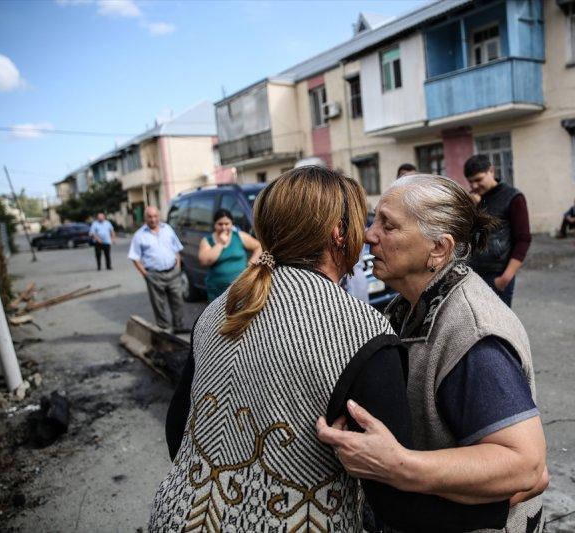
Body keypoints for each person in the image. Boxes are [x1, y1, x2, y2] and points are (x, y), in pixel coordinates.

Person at [150, 167, 507, 533]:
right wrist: (501, 511)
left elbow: (178, 430)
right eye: (363, 223)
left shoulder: (224, 306)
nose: (368, 235)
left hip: (177, 515)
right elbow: (395, 503)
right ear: (339, 233)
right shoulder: (362, 332)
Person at [317, 174, 548, 533]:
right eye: (374, 219)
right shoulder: (407, 305)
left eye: (388, 226)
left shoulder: (472, 332)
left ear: (438, 249)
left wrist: (400, 465)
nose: (368, 236)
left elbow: (525, 465)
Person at [464, 154, 531, 308]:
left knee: (499, 329)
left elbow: (523, 239)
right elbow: (467, 233)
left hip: (497, 275)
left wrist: (505, 278)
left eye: (478, 179)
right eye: (470, 181)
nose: (474, 186)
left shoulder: (513, 197)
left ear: (491, 171)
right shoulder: (474, 199)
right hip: (472, 274)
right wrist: (473, 208)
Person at [128, 206, 188, 333]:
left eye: (155, 216)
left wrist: (177, 266)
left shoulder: (167, 229)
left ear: (159, 216)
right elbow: (134, 257)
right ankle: (164, 329)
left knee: (177, 301)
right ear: (145, 218)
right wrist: (146, 274)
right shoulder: (139, 235)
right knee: (158, 304)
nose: (153, 219)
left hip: (173, 272)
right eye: (149, 216)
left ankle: (179, 326)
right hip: (154, 275)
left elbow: (176, 248)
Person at [198, 208, 262, 301]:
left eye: (227, 224)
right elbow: (204, 261)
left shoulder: (239, 236)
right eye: (220, 224)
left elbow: (258, 246)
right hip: (217, 291)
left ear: (232, 223)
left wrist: (251, 264)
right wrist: (220, 243)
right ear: (214, 224)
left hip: (240, 288)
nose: (224, 227)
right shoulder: (207, 240)